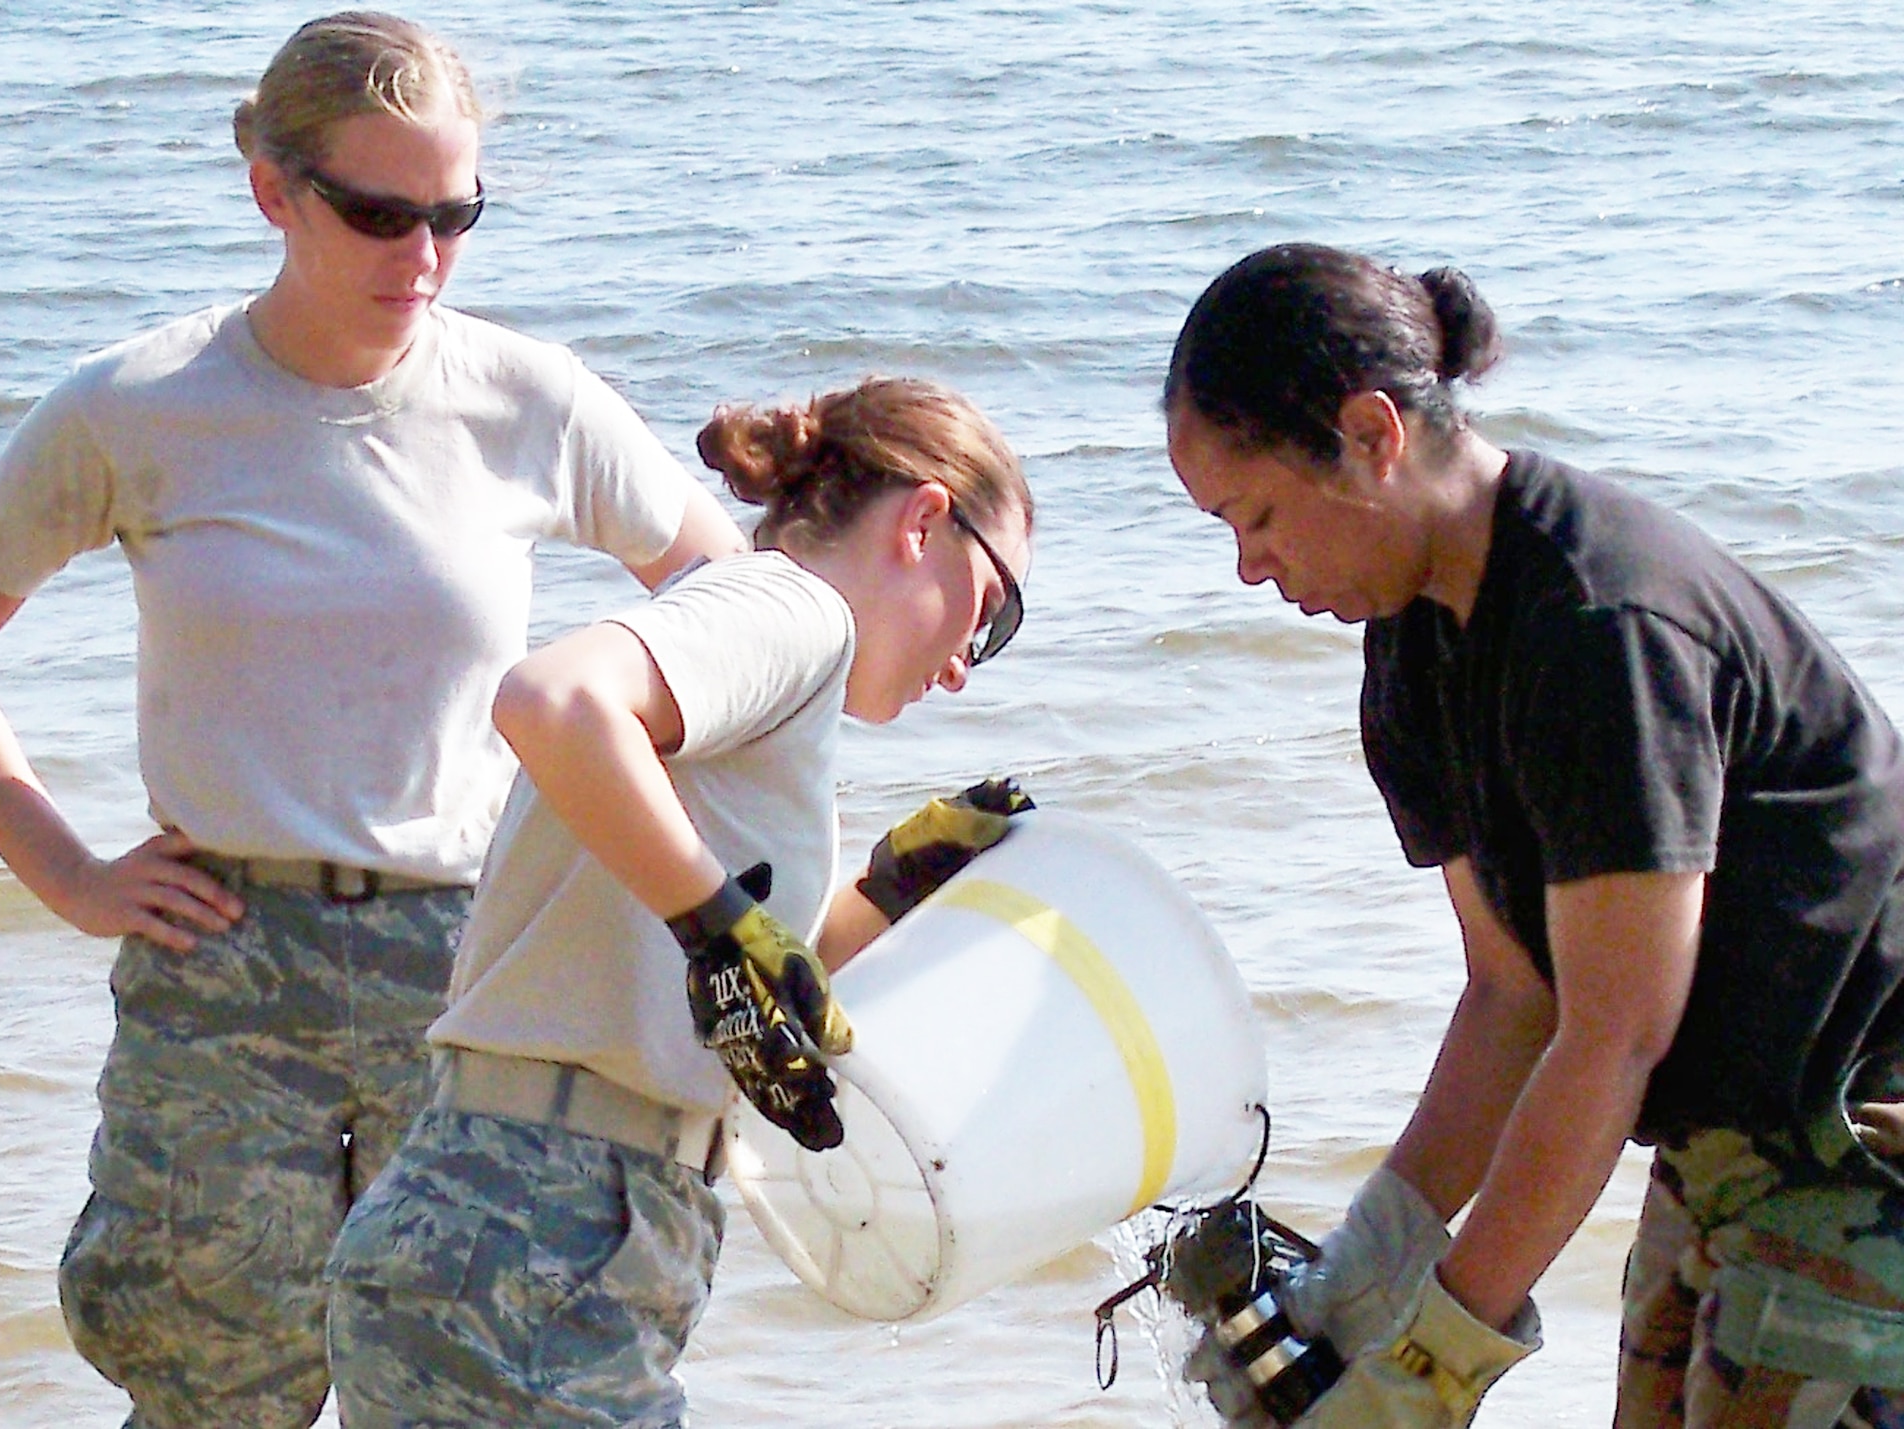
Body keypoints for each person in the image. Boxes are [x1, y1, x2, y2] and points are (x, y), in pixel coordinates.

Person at [0, 12, 747, 1427]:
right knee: (204, 1389)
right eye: (377, 214)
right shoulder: (137, 408)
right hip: (222, 970)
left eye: (453, 216)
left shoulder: (531, 398)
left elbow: (734, 622)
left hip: (478, 972)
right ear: (272, 190)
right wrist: (66, 871)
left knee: (473, 1387)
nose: (419, 259)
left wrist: (639, 842)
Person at [1163, 242, 1904, 1429]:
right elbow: (1513, 999)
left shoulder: (1602, 623)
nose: (1249, 566)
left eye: (1254, 515)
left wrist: (1430, 1365)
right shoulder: (1412, 644)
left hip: (1856, 1139)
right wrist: (1363, 1271)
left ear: (1370, 434)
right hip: (1714, 1142)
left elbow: (1613, 1032)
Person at [321, 374, 1035, 1427]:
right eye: (992, 612)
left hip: (523, 1230)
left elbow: (715, 974)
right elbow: (551, 696)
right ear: (925, 520)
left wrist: (880, 892)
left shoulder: (768, 680)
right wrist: (717, 922)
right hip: (538, 1231)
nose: (967, 667)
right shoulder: (790, 610)